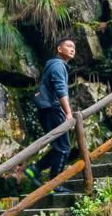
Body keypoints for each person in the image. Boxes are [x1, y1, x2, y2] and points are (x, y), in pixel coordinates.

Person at [27, 37, 76, 195]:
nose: (72, 48)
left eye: (74, 47)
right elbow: (61, 89)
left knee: (59, 147)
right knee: (64, 149)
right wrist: (68, 113)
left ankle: (35, 169)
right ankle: (55, 183)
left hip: (48, 110)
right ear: (59, 49)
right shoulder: (57, 65)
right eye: (68, 46)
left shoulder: (56, 65)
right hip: (52, 110)